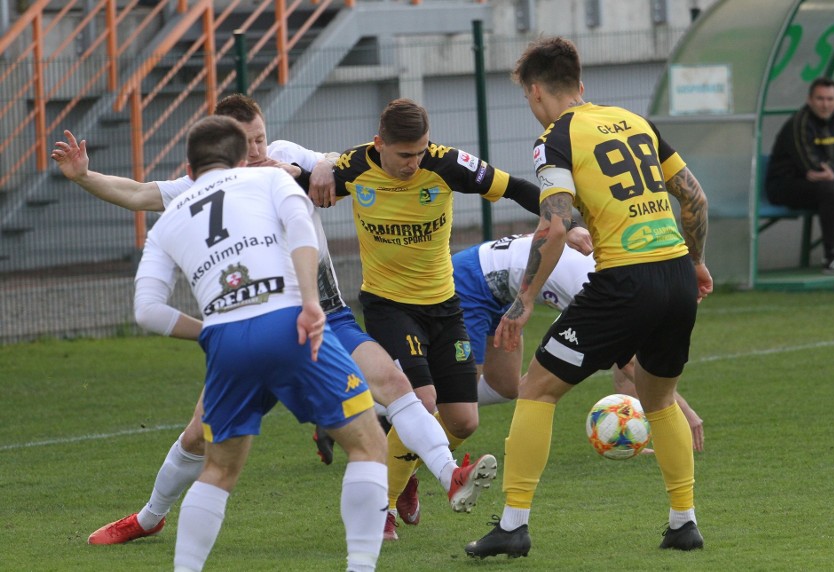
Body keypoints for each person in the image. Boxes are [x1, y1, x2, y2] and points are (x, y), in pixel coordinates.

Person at [51, 94, 492, 546]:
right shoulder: (208, 187)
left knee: (397, 389)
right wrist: (85, 176)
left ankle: (449, 474)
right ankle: (150, 516)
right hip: (255, 328)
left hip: (324, 314)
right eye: (248, 141)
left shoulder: (285, 158)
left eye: (261, 137)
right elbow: (142, 194)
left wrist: (323, 165)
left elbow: (344, 159)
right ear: (227, 145)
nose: (259, 149)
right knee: (199, 436)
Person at [464, 36, 713, 559]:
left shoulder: (555, 138)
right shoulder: (633, 121)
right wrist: (695, 261)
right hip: (674, 275)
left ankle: (513, 526)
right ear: (580, 84)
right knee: (660, 397)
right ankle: (683, 520)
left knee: (535, 388)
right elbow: (692, 195)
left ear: (535, 93)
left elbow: (556, 224)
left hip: (625, 281)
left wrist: (525, 298)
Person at [133, 115, 387, 571]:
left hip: (227, 341)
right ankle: (361, 567)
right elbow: (301, 230)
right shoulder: (269, 177)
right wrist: (311, 302)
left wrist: (209, 330)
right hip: (290, 321)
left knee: (218, 471)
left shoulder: (170, 217)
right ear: (238, 158)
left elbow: (146, 311)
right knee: (368, 446)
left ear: (189, 171)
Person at [326, 98, 560, 539]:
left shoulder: (447, 164)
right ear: (380, 144)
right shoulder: (353, 167)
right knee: (424, 399)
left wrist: (567, 221)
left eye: (420, 152)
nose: (413, 163)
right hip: (388, 306)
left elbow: (516, 188)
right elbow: (293, 188)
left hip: (445, 304)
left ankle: (407, 462)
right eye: (403, 155)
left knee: (463, 421)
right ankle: (382, 510)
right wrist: (317, 169)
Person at [452, 233, 705, 452]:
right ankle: (423, 425)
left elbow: (624, 360)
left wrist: (631, 437)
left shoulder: (624, 271)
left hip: (503, 293)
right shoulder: (605, 286)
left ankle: (428, 409)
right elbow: (629, 364)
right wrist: (684, 412)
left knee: (505, 387)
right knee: (461, 402)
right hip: (471, 281)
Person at [766, 77, 834, 274]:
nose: (825, 104)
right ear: (809, 100)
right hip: (785, 186)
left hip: (820, 186)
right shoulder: (799, 123)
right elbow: (812, 167)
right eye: (820, 99)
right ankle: (830, 257)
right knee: (829, 188)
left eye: (830, 99)